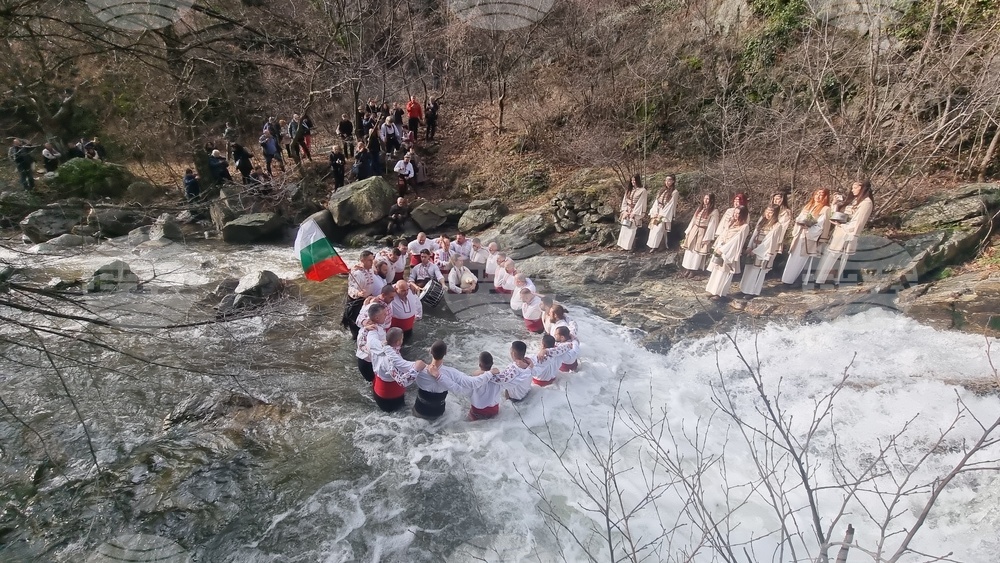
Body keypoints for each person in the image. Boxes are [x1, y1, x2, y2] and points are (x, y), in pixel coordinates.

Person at [815, 181, 875, 287]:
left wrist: (844, 226)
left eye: (855, 187)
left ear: (862, 189)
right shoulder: (854, 200)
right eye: (852, 187)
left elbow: (858, 222)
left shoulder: (866, 202)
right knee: (830, 255)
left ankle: (833, 281)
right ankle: (820, 279)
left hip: (848, 233)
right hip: (839, 231)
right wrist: (835, 204)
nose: (852, 189)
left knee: (841, 258)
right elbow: (837, 215)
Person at [781, 189, 831, 285]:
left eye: (821, 195)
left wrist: (808, 227)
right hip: (800, 233)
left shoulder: (825, 209)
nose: (818, 196)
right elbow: (799, 217)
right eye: (816, 193)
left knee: (801, 258)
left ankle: (796, 281)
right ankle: (786, 280)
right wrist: (799, 222)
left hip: (809, 236)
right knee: (793, 257)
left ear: (825, 197)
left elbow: (820, 225)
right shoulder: (808, 205)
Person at [370, 327, 426, 412]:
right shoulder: (390, 361)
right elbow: (402, 381)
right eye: (402, 338)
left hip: (378, 387)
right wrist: (416, 369)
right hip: (390, 395)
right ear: (398, 342)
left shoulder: (376, 345)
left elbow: (370, 338)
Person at [738, 205, 786, 297]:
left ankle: (753, 291)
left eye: (771, 212)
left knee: (757, 270)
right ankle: (744, 289)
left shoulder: (777, 225)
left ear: (775, 214)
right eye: (767, 211)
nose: (768, 214)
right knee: (749, 269)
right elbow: (754, 234)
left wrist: (756, 251)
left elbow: (769, 241)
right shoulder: (762, 221)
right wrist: (749, 246)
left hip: (763, 250)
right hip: (754, 246)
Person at [705, 206, 750, 299]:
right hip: (721, 247)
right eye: (735, 213)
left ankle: (719, 293)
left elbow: (736, 240)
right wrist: (719, 245)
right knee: (717, 269)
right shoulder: (732, 223)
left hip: (729, 251)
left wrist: (723, 249)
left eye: (738, 214)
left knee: (724, 271)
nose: (736, 215)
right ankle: (712, 290)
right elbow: (723, 234)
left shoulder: (744, 226)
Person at [681, 194, 720, 277]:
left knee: (697, 251)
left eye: (708, 199)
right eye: (705, 198)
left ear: (711, 200)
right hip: (694, 229)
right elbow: (693, 220)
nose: (706, 200)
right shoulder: (700, 208)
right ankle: (687, 269)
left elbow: (712, 225)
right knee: (689, 249)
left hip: (703, 231)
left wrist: (707, 237)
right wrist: (688, 230)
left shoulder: (714, 211)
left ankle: (693, 270)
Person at [412, 340, 452, 420]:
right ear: (445, 353)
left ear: (430, 351)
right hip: (438, 413)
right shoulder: (451, 374)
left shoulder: (419, 370)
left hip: (420, 411)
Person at [343, 251, 377, 338]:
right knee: (355, 324)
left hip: (368, 300)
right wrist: (358, 293)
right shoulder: (356, 273)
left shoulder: (370, 269)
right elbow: (351, 288)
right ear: (363, 260)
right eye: (370, 260)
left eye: (372, 260)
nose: (372, 263)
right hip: (357, 302)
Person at [355, 302, 388, 383]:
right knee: (373, 383)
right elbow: (362, 346)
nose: (386, 315)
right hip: (367, 363)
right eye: (384, 314)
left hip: (372, 361)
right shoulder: (368, 330)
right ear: (377, 318)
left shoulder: (378, 325)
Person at [617, 174, 648, 251]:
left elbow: (641, 203)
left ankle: (630, 246)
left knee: (632, 229)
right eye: (632, 180)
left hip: (635, 212)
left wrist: (634, 212)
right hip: (627, 211)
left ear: (638, 180)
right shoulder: (628, 190)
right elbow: (624, 201)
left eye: (634, 180)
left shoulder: (642, 191)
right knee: (624, 228)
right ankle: (623, 246)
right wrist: (624, 211)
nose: (633, 182)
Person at [647, 175, 677, 252]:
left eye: (669, 180)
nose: (667, 182)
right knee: (654, 228)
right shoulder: (662, 190)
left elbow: (671, 204)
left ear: (673, 181)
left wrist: (662, 214)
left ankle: (656, 246)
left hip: (665, 213)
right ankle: (658, 245)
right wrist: (655, 212)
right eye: (666, 180)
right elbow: (657, 201)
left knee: (659, 228)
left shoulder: (674, 192)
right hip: (658, 211)